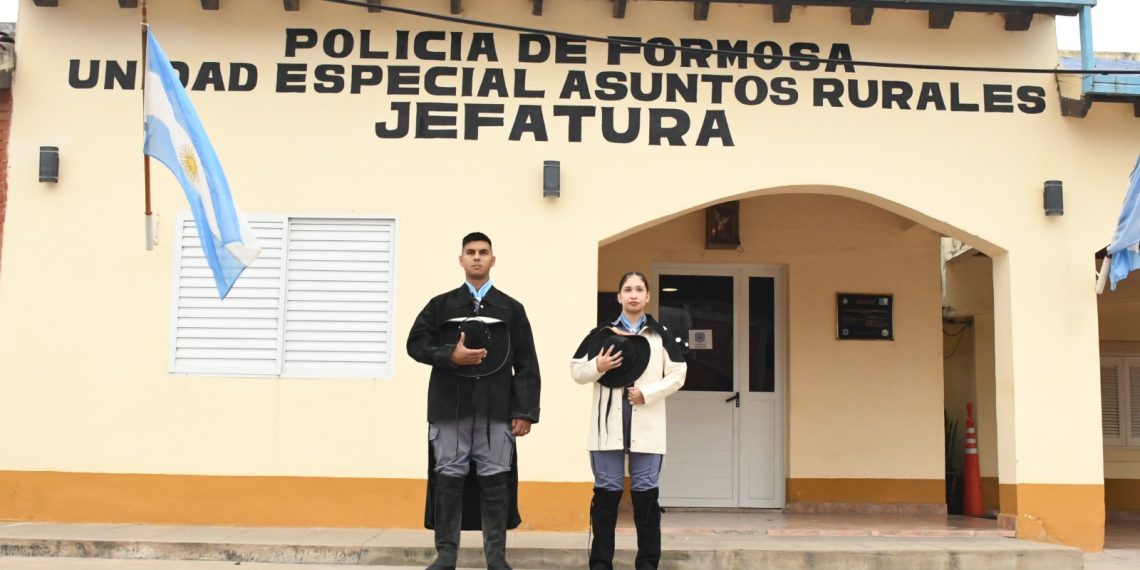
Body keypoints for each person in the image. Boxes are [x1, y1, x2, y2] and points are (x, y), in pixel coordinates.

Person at [407, 232, 541, 570]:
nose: (477, 257)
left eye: (483, 252)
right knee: (447, 481)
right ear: (461, 259)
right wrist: (449, 354)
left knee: (496, 482)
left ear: (493, 260)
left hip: (497, 411)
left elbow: (527, 363)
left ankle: (496, 559)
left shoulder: (511, 309)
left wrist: (524, 411)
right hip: (450, 409)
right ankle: (446, 556)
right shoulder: (441, 306)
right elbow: (415, 344)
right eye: (470, 252)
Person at [570, 271, 687, 570]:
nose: (633, 295)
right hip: (606, 431)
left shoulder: (659, 335)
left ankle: (647, 564)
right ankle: (600, 564)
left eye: (639, 289)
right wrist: (598, 365)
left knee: (646, 499)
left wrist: (647, 393)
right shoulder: (601, 334)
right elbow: (576, 370)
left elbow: (678, 373)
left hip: (647, 430)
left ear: (648, 296)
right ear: (619, 296)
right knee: (606, 500)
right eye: (627, 289)